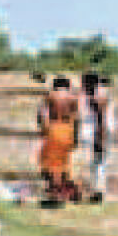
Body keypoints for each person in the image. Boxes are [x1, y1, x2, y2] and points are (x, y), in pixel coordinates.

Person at [38, 76, 80, 204]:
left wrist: (44, 130)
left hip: (54, 128)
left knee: (53, 163)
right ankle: (64, 191)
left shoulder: (50, 96)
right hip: (68, 129)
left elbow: (43, 115)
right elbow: (77, 118)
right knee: (63, 162)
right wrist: (75, 136)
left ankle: (55, 193)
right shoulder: (73, 98)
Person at [80, 70, 116, 201]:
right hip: (96, 131)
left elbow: (101, 119)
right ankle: (96, 189)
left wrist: (100, 136)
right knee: (96, 162)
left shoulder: (97, 96)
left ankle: (98, 191)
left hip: (98, 131)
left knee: (99, 162)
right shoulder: (92, 95)